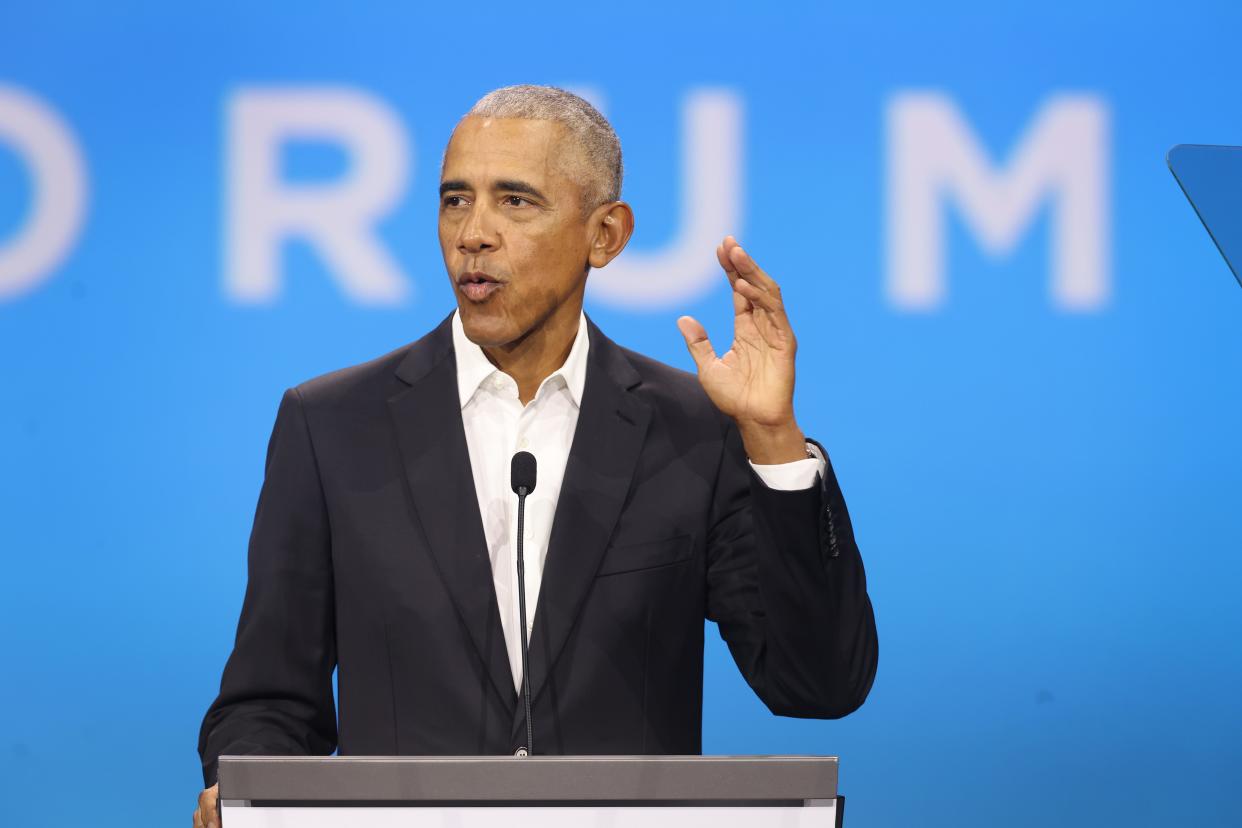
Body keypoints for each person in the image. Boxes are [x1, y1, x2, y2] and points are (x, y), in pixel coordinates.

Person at [192, 85, 877, 828]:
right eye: (456, 200)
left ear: (605, 235)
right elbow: (267, 702)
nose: (473, 234)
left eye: (514, 201)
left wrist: (772, 440)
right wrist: (248, 794)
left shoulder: (690, 430)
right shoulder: (331, 426)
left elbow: (818, 684)